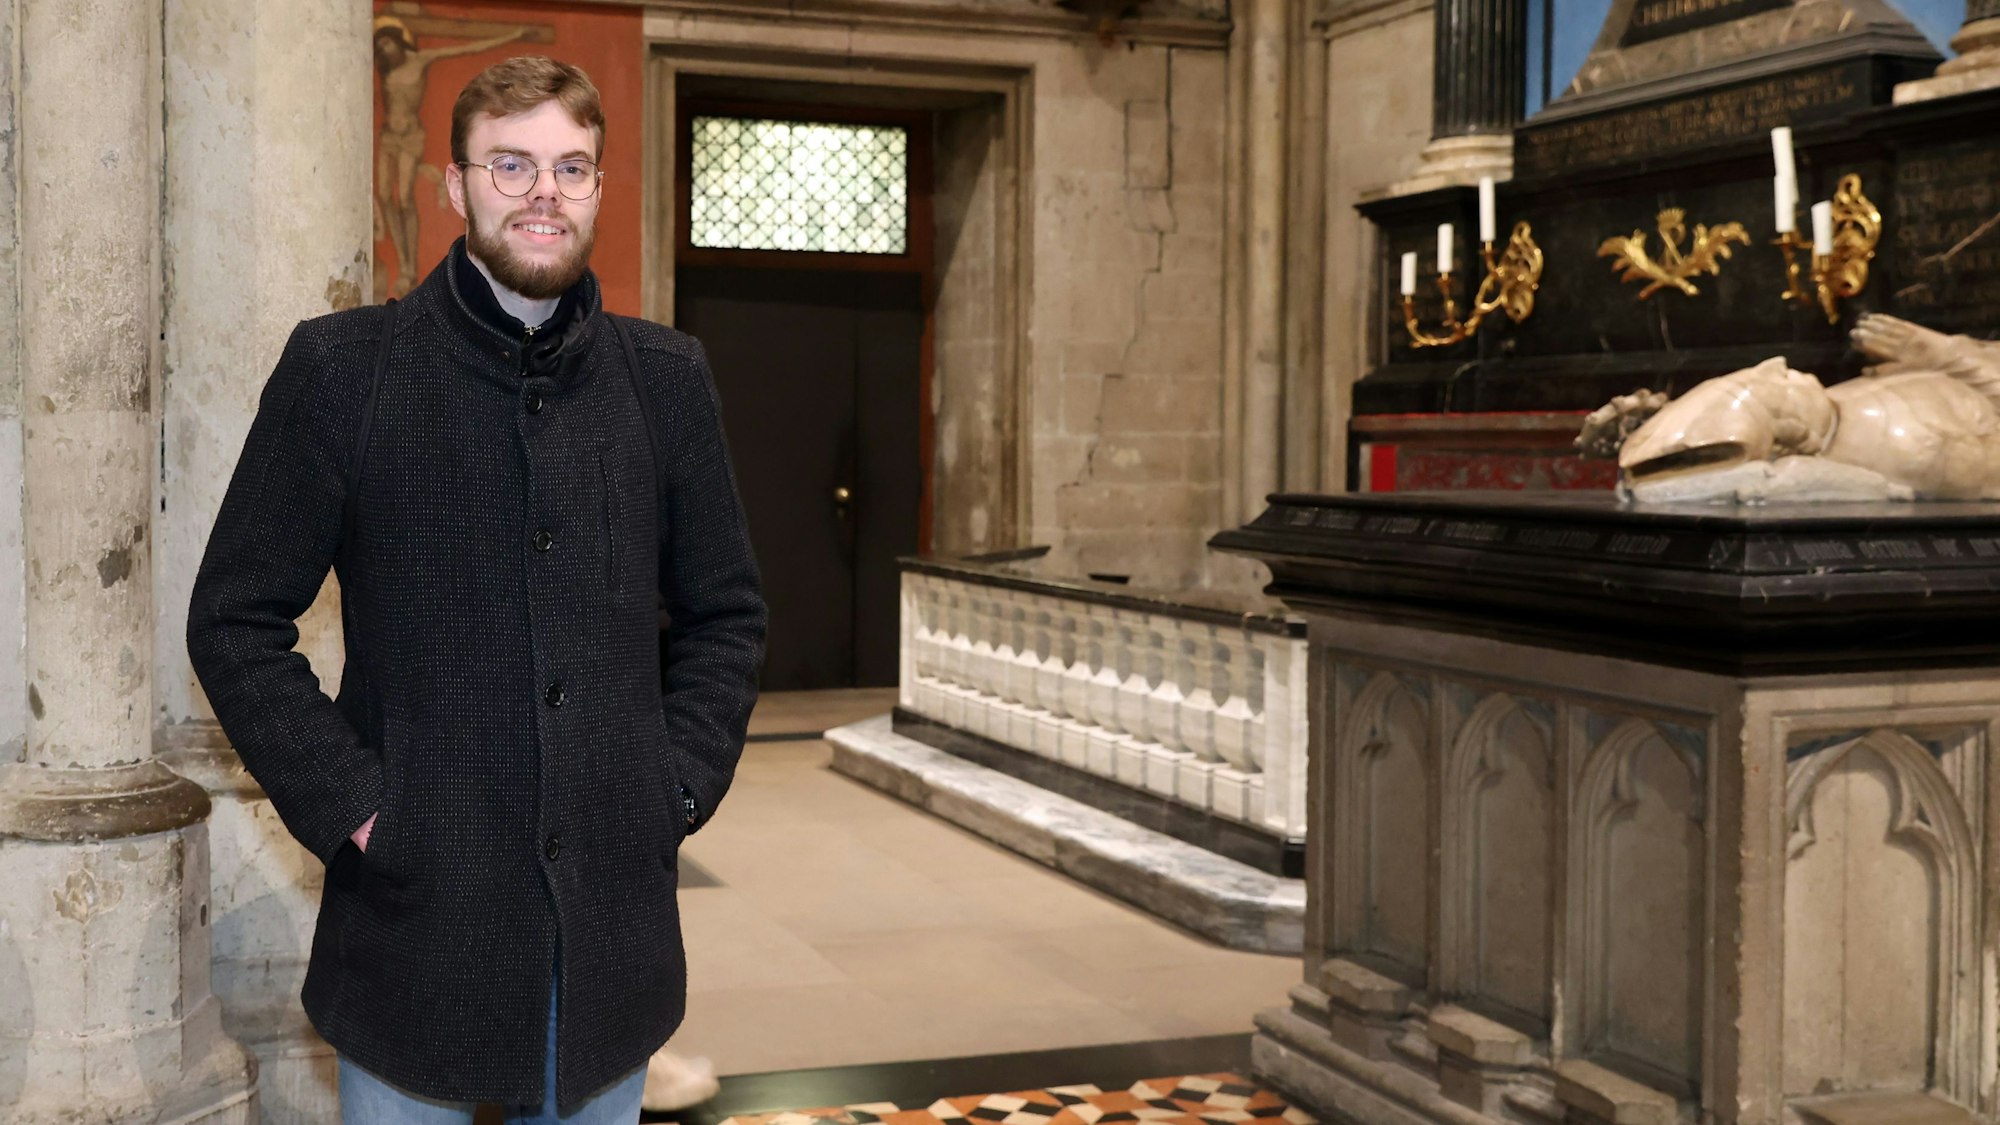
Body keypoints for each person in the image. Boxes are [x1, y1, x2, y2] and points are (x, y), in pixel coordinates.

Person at [188, 56, 766, 1124]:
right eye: (512, 164)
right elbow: (232, 620)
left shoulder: (665, 380)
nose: (543, 192)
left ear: (596, 187)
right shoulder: (343, 371)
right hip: (415, 934)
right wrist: (361, 810)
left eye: (571, 167)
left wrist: (672, 787)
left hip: (608, 946)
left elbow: (725, 615)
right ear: (453, 187)